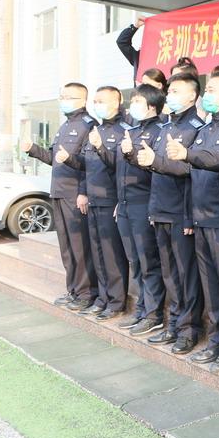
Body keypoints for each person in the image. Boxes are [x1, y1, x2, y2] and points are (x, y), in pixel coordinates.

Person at [165, 70, 219, 373]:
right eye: (207, 90)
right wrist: (190, 215)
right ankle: (215, 340)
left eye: (212, 90)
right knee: (211, 286)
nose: (207, 95)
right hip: (201, 219)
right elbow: (193, 178)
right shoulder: (204, 130)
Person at [135, 72, 206, 355]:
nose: (170, 95)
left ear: (192, 96)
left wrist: (189, 216)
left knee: (186, 275)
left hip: (180, 212)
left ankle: (189, 329)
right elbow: (156, 168)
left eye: (176, 91)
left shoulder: (196, 128)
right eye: (170, 91)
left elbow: (191, 170)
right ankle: (174, 323)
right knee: (170, 274)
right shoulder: (166, 127)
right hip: (160, 209)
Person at [21, 82, 97, 310]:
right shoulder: (65, 125)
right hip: (59, 191)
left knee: (80, 247)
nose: (63, 100)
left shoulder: (89, 125)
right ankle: (73, 290)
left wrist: (84, 191)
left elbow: (90, 164)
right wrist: (33, 149)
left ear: (83, 100)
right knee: (67, 247)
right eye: (62, 96)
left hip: (75, 195)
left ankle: (86, 293)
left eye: (68, 97)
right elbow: (54, 158)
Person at [105, 85, 167, 338]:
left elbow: (154, 171)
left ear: (151, 106)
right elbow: (119, 171)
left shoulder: (159, 132)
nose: (133, 106)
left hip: (144, 203)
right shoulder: (130, 131)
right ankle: (142, 308)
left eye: (138, 101)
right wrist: (120, 201)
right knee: (135, 261)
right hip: (126, 204)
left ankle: (153, 314)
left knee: (148, 260)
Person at [82, 87, 129, 321]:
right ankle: (103, 298)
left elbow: (119, 167)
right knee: (98, 253)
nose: (97, 104)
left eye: (102, 101)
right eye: (96, 101)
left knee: (112, 254)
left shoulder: (123, 131)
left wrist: (100, 147)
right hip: (93, 199)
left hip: (110, 199)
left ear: (117, 102)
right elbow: (86, 165)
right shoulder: (95, 130)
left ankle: (116, 301)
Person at [116, 16, 146, 80]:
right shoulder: (138, 57)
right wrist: (135, 26)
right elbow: (122, 42)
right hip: (140, 86)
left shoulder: (162, 57)